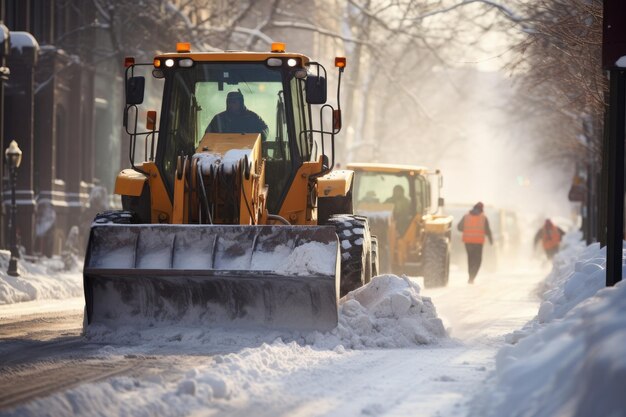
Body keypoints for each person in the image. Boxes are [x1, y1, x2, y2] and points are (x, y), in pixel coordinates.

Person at [457, 202, 493, 284]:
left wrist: (466, 230)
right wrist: (491, 240)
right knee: (477, 260)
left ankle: (470, 277)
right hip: (478, 243)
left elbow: (459, 227)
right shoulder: (483, 217)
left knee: (470, 259)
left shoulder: (466, 216)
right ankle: (472, 277)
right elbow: (488, 230)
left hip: (468, 242)